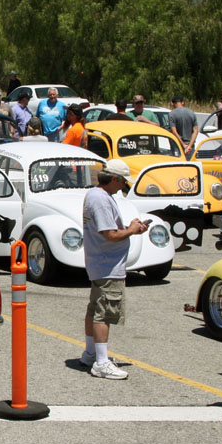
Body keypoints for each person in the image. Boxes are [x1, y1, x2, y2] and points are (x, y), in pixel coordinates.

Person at [80, 159, 149, 380]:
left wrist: (131, 228)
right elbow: (109, 234)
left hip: (101, 262)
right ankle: (101, 361)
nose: (123, 186)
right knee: (105, 312)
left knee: (95, 309)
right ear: (115, 179)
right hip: (107, 264)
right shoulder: (101, 199)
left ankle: (91, 353)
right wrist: (131, 229)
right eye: (123, 182)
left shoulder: (96, 195)